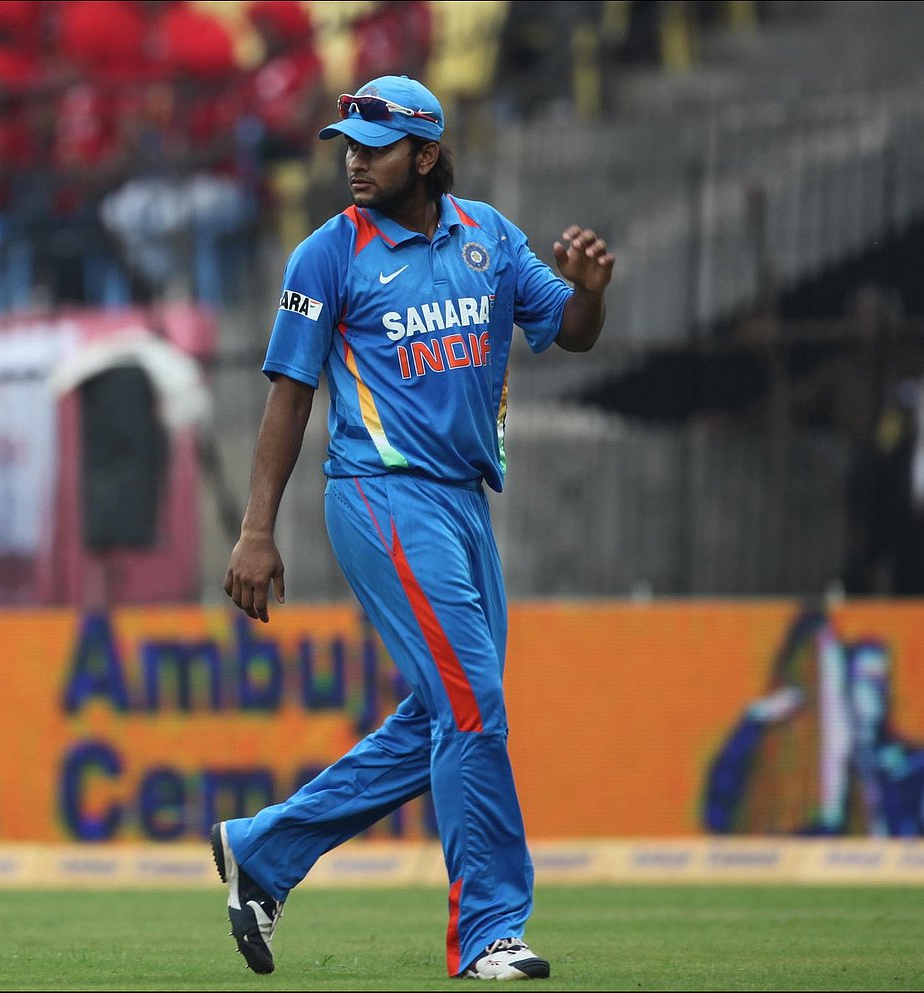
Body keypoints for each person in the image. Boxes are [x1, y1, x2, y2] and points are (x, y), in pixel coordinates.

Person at [215, 76, 614, 980]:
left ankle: (263, 852)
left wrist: (590, 295)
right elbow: (289, 396)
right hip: (381, 494)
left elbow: (572, 330)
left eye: (375, 148)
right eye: (348, 146)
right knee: (473, 705)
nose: (354, 162)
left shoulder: (490, 238)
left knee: (451, 708)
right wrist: (255, 529)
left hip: (465, 502)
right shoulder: (326, 254)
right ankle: (491, 931)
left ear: (427, 155)